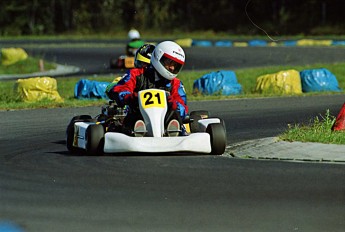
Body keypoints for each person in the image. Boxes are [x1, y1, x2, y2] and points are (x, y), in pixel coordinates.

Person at [109, 41, 188, 137]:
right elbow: (120, 89)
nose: (172, 68)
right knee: (133, 113)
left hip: (164, 121)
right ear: (158, 56)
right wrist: (131, 97)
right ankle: (138, 130)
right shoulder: (136, 74)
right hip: (139, 114)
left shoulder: (176, 83)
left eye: (176, 66)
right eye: (169, 63)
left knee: (174, 113)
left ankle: (173, 130)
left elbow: (183, 108)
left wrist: (173, 103)